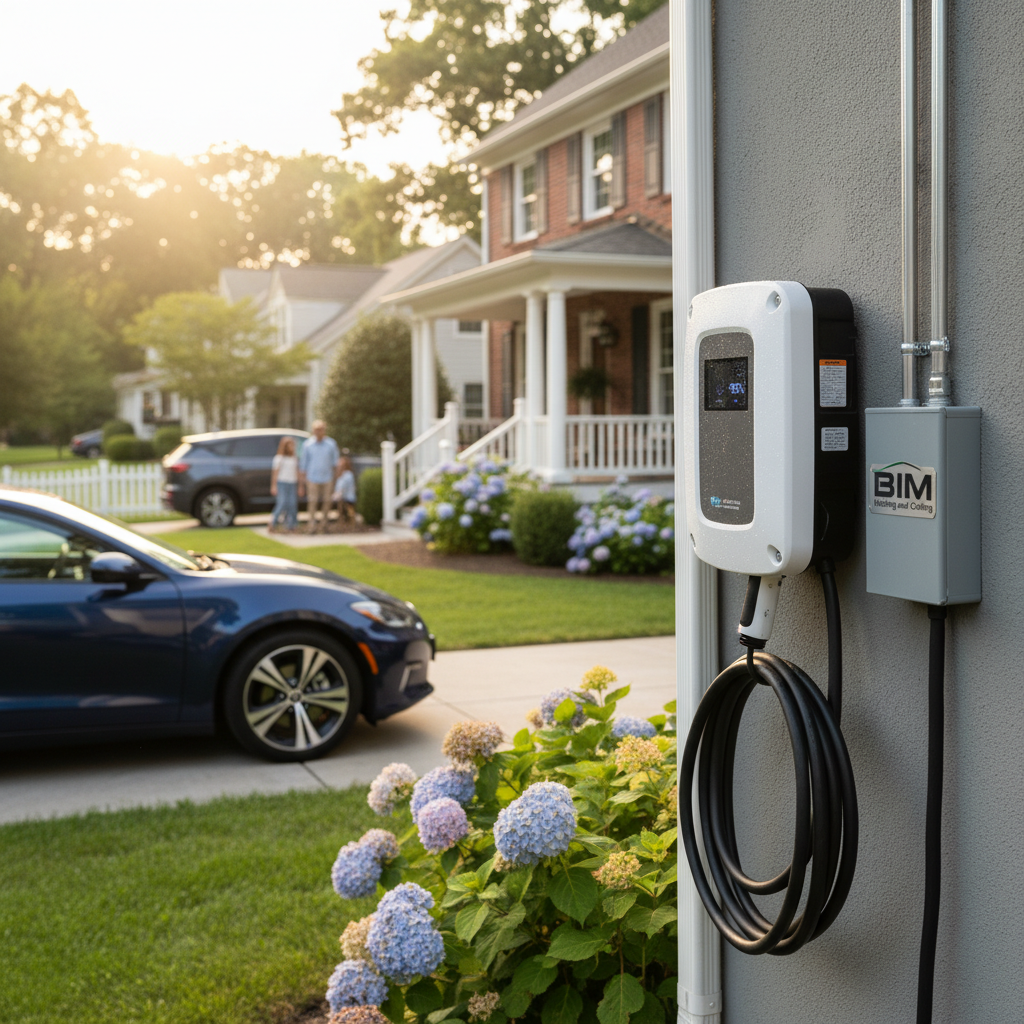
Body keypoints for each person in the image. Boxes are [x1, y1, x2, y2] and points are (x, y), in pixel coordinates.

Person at [298, 420, 339, 534]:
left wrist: (336, 480)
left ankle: (324, 526)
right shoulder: (307, 444)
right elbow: (303, 465)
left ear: (324, 430)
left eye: (320, 429)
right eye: (316, 430)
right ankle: (311, 527)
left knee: (327, 502)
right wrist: (302, 483)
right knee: (312, 502)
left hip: (327, 478)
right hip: (312, 478)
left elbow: (335, 464)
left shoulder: (331, 444)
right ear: (313, 431)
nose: (318, 432)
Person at [269, 436, 299, 532]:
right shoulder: (279, 458)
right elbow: (275, 473)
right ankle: (273, 522)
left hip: (292, 483)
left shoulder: (294, 458)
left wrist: (300, 485)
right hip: (282, 483)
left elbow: (297, 472)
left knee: (292, 504)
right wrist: (273, 486)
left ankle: (292, 524)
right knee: (282, 503)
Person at [332, 455, 357, 528]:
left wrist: (337, 495)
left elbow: (343, 487)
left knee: (349, 512)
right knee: (341, 510)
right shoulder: (340, 474)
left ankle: (351, 526)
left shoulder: (348, 474)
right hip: (342, 497)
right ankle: (342, 524)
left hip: (348, 498)